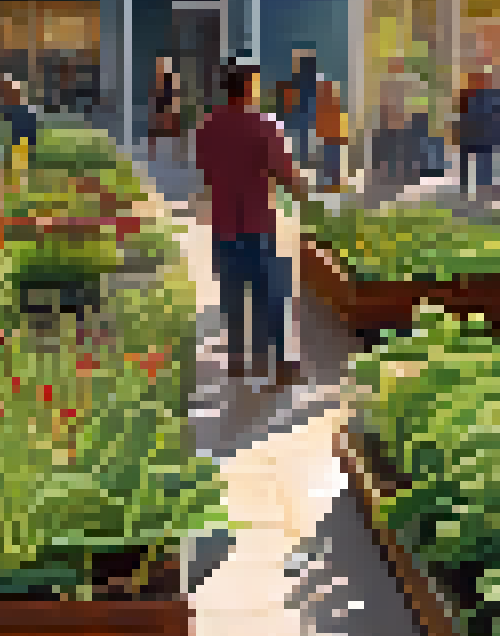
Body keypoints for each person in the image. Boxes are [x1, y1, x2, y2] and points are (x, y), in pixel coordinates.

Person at [194, 58, 309, 388]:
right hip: (257, 223)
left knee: (231, 294)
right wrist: (307, 193)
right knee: (271, 295)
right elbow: (285, 174)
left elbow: (206, 171)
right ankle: (281, 365)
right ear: (248, 86)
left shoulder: (208, 126)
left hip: (223, 222)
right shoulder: (265, 124)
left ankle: (237, 362)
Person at [454, 71, 500, 201]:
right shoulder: (470, 95)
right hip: (479, 137)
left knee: (482, 166)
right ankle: (473, 192)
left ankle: (477, 192)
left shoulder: (470, 95)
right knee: (479, 166)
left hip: (480, 137)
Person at [147, 56, 185, 164]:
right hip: (163, 117)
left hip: (169, 117)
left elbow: (175, 101)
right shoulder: (159, 83)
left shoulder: (174, 80)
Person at [315, 75, 349, 190]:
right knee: (328, 161)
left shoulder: (330, 104)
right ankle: (329, 185)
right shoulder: (327, 104)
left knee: (330, 162)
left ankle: (331, 185)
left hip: (330, 136)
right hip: (329, 136)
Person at [0, 75, 41, 149]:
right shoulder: (12, 88)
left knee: (25, 131)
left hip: (21, 109)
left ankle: (29, 145)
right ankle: (24, 145)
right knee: (19, 132)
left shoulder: (16, 86)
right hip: (18, 110)